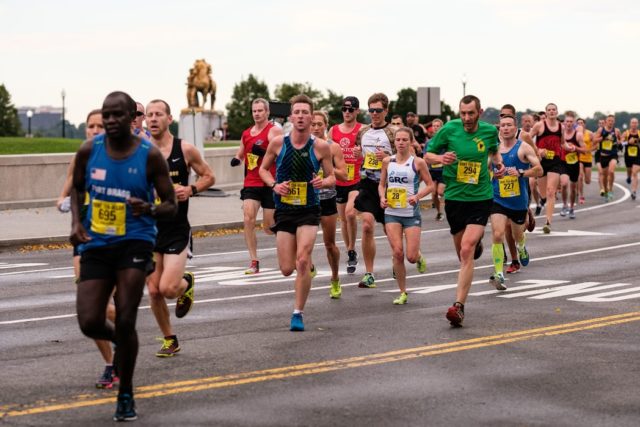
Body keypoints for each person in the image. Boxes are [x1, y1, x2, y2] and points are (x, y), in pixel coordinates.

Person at [70, 91, 177, 421]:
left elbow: (171, 204)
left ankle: (125, 392)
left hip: (135, 241)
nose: (111, 121)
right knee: (89, 320)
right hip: (98, 243)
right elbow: (75, 188)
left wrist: (150, 208)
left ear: (132, 117)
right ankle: (124, 342)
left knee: (127, 315)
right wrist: (76, 222)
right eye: (107, 115)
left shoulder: (148, 156)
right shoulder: (90, 149)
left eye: (118, 115)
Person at [425, 95, 505, 327]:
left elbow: (494, 153)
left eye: (471, 113)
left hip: (480, 197)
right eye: (463, 113)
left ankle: (458, 306)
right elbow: (428, 156)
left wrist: (498, 166)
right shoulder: (449, 129)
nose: (467, 118)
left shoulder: (489, 131)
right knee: (463, 251)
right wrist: (441, 157)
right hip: (454, 198)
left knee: (467, 249)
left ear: (479, 112)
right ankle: (476, 244)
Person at [145, 99, 215, 357]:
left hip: (176, 229)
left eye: (158, 114)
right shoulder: (140, 152)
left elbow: (209, 176)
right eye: (149, 115)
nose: (153, 119)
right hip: (148, 231)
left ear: (169, 119)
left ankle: (186, 283)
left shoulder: (184, 149)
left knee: (168, 289)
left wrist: (191, 189)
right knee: (153, 290)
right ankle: (169, 339)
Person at [259, 94, 335, 332]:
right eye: (297, 112)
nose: (301, 116)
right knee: (286, 269)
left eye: (305, 112)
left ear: (312, 117)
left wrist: (323, 182)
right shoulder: (278, 143)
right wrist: (274, 185)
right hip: (284, 210)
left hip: (309, 210)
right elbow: (263, 170)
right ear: (291, 116)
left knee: (302, 259)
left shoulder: (320, 146)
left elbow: (333, 177)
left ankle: (297, 313)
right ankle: (306, 268)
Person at [57, 109, 119, 389]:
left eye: (100, 126)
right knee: (92, 308)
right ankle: (110, 363)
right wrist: (64, 204)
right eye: (90, 126)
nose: (94, 130)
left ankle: (125, 329)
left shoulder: (125, 158)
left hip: (117, 239)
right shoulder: (80, 158)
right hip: (85, 240)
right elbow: (64, 194)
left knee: (109, 306)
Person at [379, 127, 434, 304]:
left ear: (410, 141)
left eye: (404, 139)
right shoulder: (388, 161)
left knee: (410, 256)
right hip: (392, 212)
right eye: (398, 140)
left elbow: (430, 185)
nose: (401, 143)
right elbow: (381, 185)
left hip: (410, 213)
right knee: (397, 252)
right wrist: (382, 198)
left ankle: (418, 256)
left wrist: (417, 197)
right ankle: (402, 292)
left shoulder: (417, 162)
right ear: (394, 142)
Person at [488, 115, 542, 289]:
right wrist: (492, 175)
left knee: (518, 235)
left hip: (518, 201)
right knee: (497, 234)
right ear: (499, 129)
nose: (505, 128)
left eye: (509, 125)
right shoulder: (493, 149)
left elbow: (539, 170)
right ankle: (498, 273)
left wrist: (520, 172)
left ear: (515, 127)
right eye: (502, 125)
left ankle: (522, 246)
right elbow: (485, 169)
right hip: (498, 198)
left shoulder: (524, 147)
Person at [231, 98, 283, 274]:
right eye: (254, 111)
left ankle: (290, 242)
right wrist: (236, 160)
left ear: (267, 112)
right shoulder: (246, 133)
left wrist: (264, 153)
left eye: (260, 110)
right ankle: (254, 261)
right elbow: (241, 153)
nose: (257, 114)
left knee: (268, 227)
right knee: (248, 218)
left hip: (269, 181)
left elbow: (282, 154)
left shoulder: (273, 130)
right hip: (251, 182)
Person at [353, 93, 396, 289]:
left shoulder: (394, 132)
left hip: (391, 185)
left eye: (378, 110)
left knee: (391, 231)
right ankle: (369, 273)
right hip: (369, 184)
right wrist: (357, 155)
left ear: (386, 111)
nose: (375, 114)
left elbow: (410, 157)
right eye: (371, 110)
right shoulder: (362, 133)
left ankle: (402, 259)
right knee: (367, 225)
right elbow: (359, 154)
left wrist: (389, 157)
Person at [311, 111, 347, 298]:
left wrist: (327, 169)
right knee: (302, 242)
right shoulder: (302, 146)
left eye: (319, 124)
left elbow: (344, 174)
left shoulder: (333, 147)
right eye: (313, 124)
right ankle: (308, 265)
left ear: (326, 125)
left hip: (327, 199)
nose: (316, 128)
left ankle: (334, 278)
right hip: (306, 200)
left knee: (329, 244)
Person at [328, 96, 363, 275]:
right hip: (339, 180)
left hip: (356, 179)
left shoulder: (362, 130)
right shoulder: (333, 130)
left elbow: (371, 154)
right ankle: (351, 251)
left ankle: (351, 248)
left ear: (357, 110)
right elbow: (326, 154)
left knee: (350, 213)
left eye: (351, 109)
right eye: (344, 109)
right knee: (343, 218)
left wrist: (361, 154)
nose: (347, 112)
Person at [529, 103, 564, 233]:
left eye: (554, 109)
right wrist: (537, 150)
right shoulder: (539, 125)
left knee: (551, 191)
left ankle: (548, 222)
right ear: (546, 112)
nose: (551, 112)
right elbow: (527, 138)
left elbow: (563, 143)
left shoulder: (561, 127)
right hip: (542, 161)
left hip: (555, 160)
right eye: (549, 110)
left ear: (557, 112)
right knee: (544, 194)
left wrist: (570, 148)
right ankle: (543, 200)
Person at [559, 111, 585, 219]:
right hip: (563, 162)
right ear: (564, 123)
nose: (568, 123)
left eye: (571, 121)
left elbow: (584, 150)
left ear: (574, 123)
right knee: (564, 184)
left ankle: (571, 208)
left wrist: (575, 148)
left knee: (573, 188)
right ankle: (564, 205)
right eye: (567, 121)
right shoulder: (560, 134)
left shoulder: (578, 135)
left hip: (574, 163)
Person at [592, 115, 622, 202]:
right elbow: (594, 140)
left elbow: (620, 140)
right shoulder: (601, 130)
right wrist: (603, 137)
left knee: (611, 171)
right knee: (604, 176)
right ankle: (605, 190)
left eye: (612, 121)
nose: (610, 122)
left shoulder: (616, 130)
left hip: (613, 154)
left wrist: (618, 142)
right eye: (609, 120)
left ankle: (611, 190)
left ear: (614, 122)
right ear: (606, 121)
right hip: (603, 155)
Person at [427, 118, 446, 221]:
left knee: (441, 192)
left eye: (437, 126)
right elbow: (426, 157)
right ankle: (439, 212)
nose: (435, 128)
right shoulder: (429, 142)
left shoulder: (445, 141)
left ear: (441, 128)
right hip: (432, 171)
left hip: (443, 171)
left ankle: (451, 198)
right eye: (434, 126)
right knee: (433, 193)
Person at [577, 118, 594, 204]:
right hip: (579, 159)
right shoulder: (575, 134)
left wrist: (590, 150)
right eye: (578, 123)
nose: (580, 124)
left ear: (584, 124)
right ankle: (581, 195)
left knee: (587, 181)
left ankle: (579, 186)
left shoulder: (590, 133)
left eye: (581, 123)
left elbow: (596, 145)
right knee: (580, 177)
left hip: (588, 158)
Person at [621, 118, 639, 199]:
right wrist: (628, 142)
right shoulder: (626, 133)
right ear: (630, 124)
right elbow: (620, 144)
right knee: (630, 170)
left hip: (638, 156)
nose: (634, 124)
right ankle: (628, 176)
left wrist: (637, 142)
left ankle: (634, 192)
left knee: (634, 172)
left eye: (635, 123)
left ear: (637, 124)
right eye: (633, 123)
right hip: (628, 156)